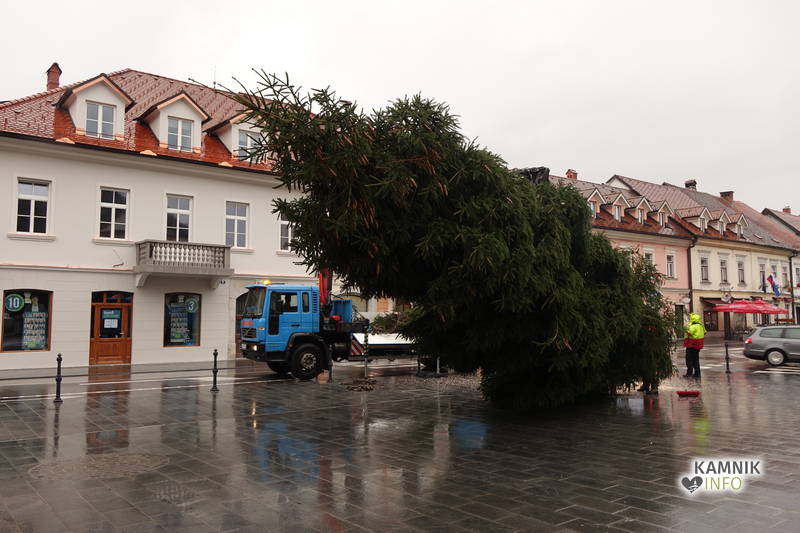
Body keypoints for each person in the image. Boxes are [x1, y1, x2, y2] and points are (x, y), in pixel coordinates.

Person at [683, 313, 706, 378]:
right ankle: (697, 373)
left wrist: (685, 329)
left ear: (693, 319)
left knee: (689, 359)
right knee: (696, 359)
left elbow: (689, 333)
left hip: (691, 344)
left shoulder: (693, 326)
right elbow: (705, 332)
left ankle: (689, 373)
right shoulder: (701, 326)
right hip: (698, 345)